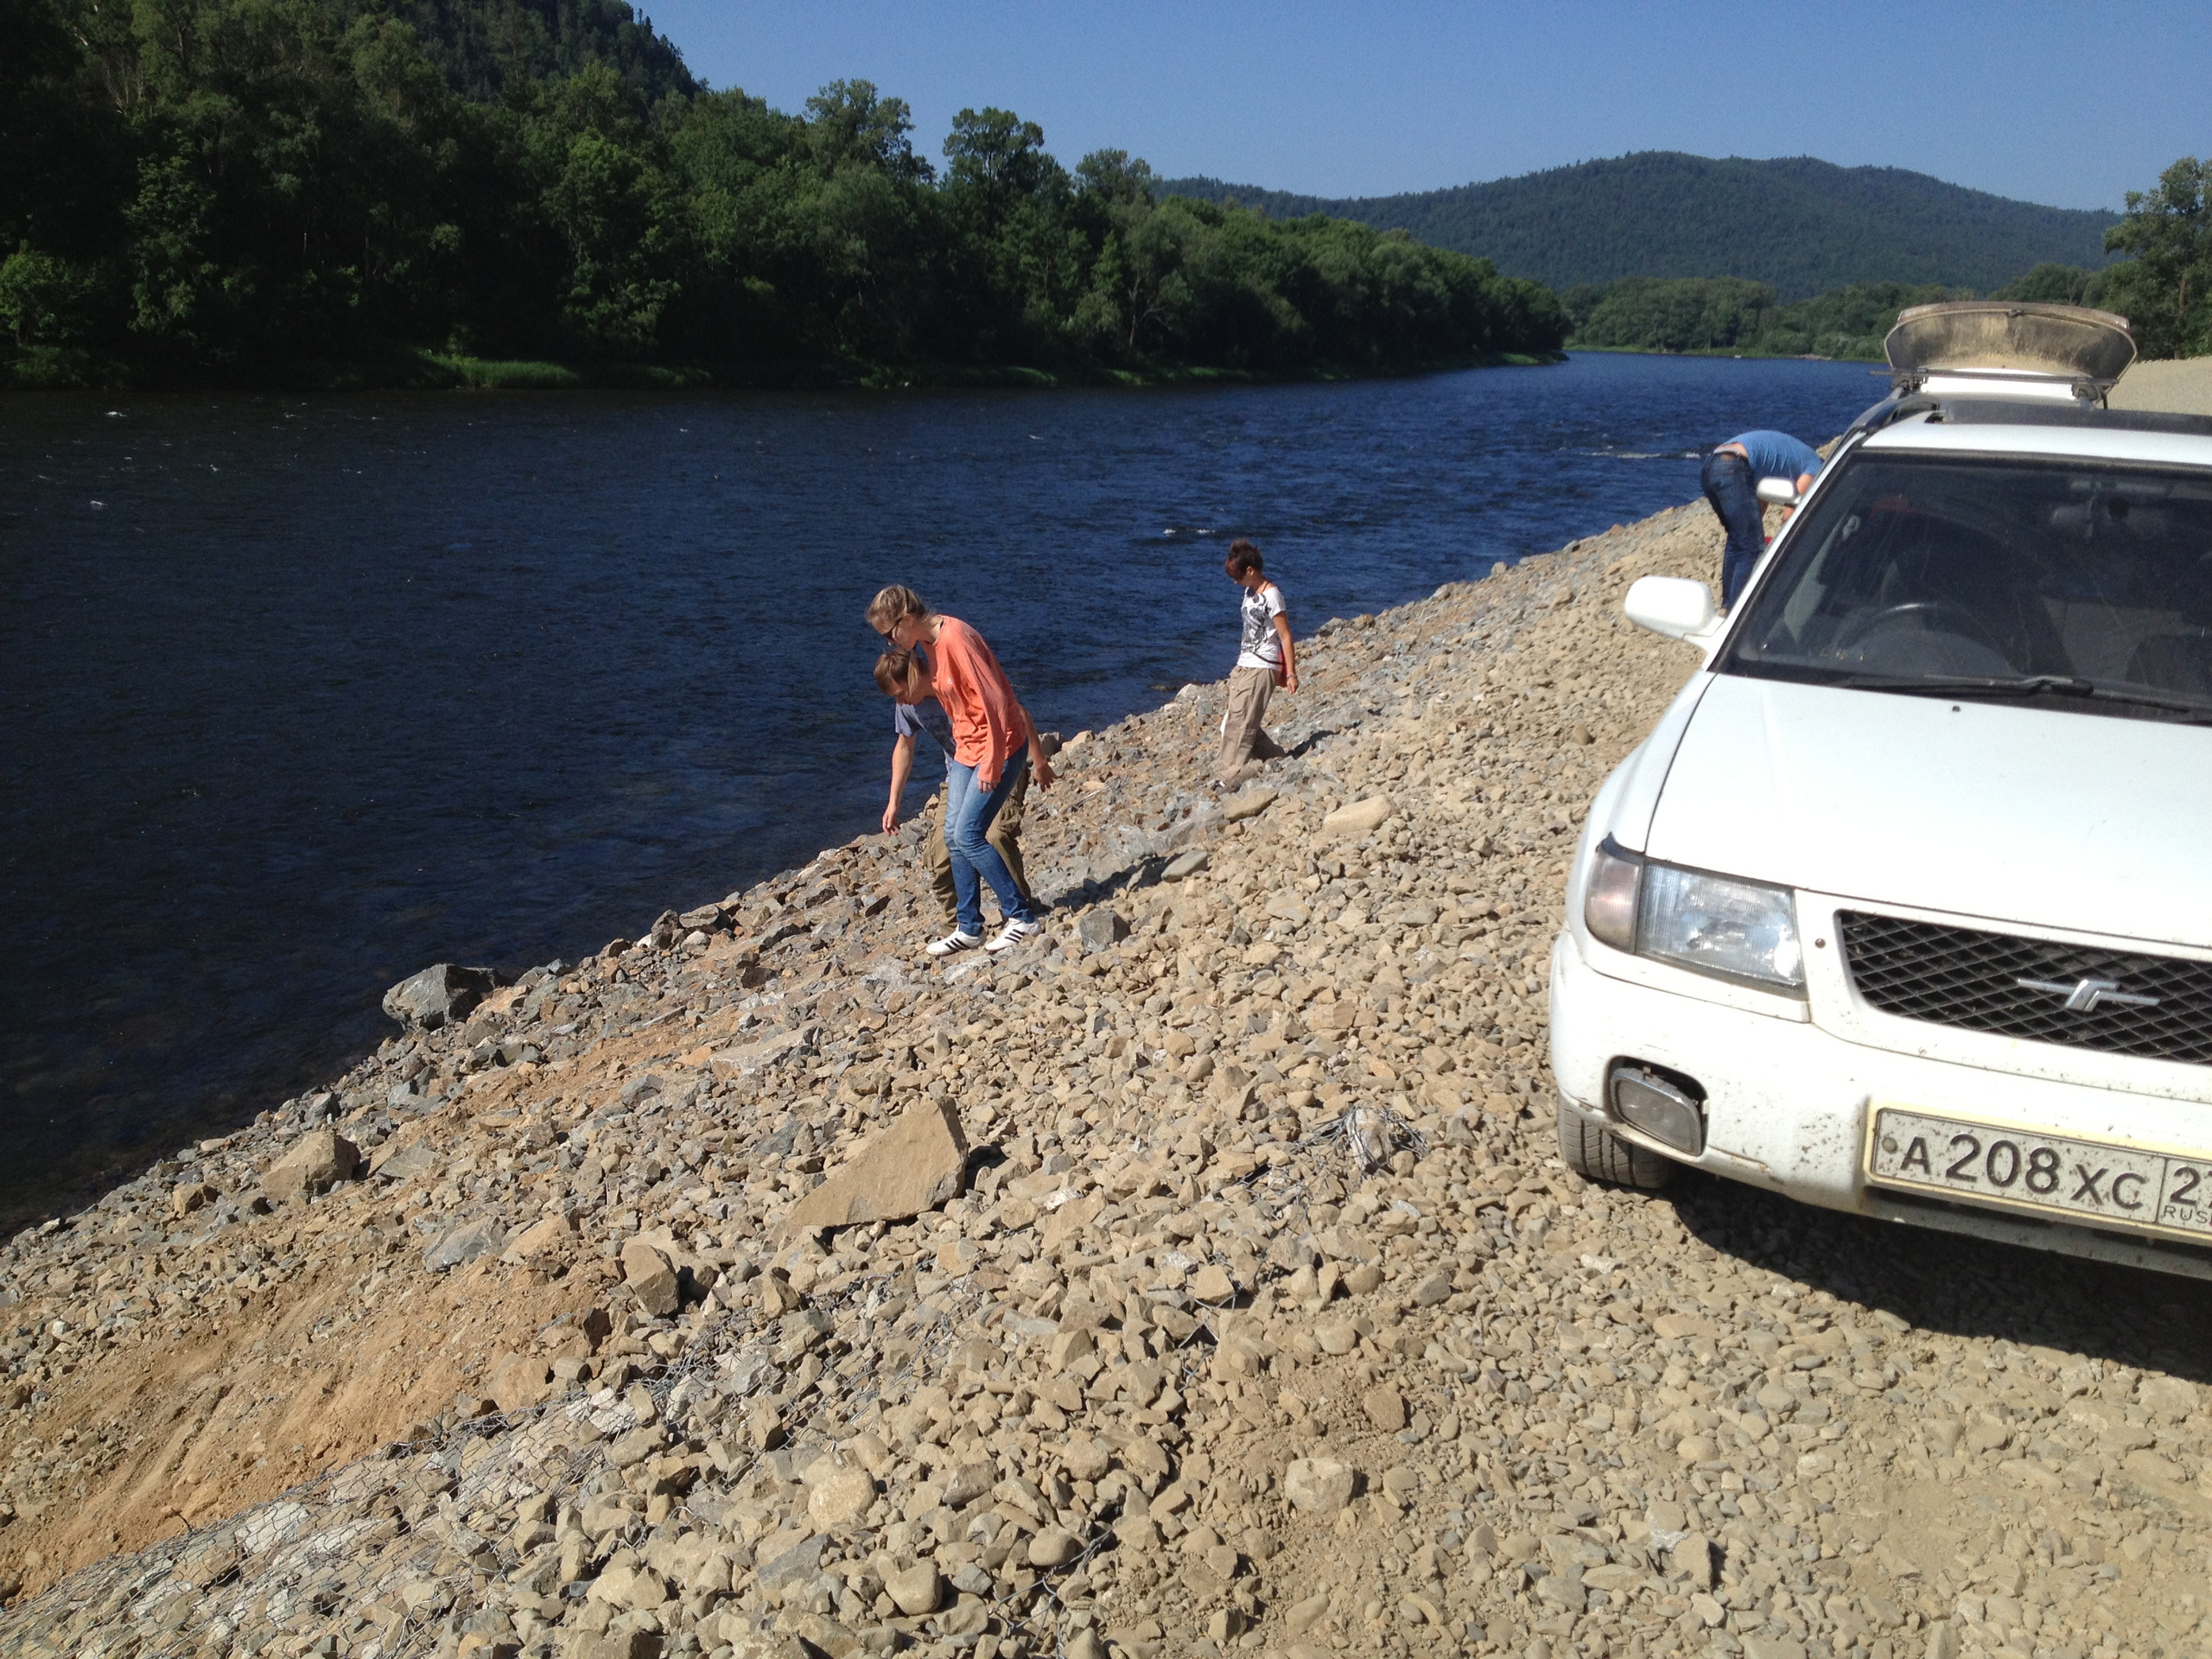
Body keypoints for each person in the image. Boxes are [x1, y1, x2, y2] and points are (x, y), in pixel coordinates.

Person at [864, 586, 1052, 956]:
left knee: (969, 835)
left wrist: (994, 759)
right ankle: (969, 927)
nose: (890, 644)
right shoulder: (930, 647)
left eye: (889, 635)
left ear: (906, 620)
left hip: (996, 748)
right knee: (952, 835)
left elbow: (998, 699)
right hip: (967, 750)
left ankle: (1022, 917)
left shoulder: (955, 638)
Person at [875, 645, 1039, 938]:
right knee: (942, 851)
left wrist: (1039, 761)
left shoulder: (952, 685)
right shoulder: (908, 706)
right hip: (959, 776)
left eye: (900, 693)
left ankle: (1020, 913)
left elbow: (1017, 714)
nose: (898, 701)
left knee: (993, 837)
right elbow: (904, 747)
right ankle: (960, 926)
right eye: (894, 698)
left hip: (999, 765)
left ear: (914, 677)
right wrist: (893, 802)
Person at [1701, 429, 1823, 608]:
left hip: (1711, 466)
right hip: (1733, 466)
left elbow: (1759, 503)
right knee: (1751, 546)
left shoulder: (1788, 460)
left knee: (1738, 539)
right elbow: (1790, 513)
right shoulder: (1816, 467)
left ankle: (1729, 604)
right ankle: (1738, 608)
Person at [1217, 538, 1298, 784]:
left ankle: (1228, 774)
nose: (1235, 582)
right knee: (1234, 720)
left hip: (1264, 665)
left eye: (1238, 576)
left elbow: (1285, 635)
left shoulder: (1273, 596)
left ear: (1251, 571)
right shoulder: (1249, 591)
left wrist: (1291, 674)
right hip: (1245, 664)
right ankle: (1277, 759)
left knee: (1240, 725)